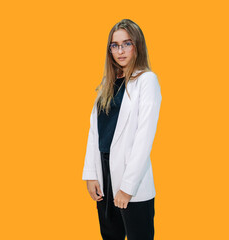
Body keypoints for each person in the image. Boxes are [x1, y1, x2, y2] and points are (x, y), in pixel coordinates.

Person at [82, 19, 162, 240]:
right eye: (115, 45)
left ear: (137, 45)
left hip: (131, 177)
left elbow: (144, 137)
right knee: (110, 236)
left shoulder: (147, 81)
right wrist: (91, 174)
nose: (120, 50)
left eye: (127, 43)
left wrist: (127, 187)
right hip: (105, 174)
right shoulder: (107, 84)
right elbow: (94, 132)